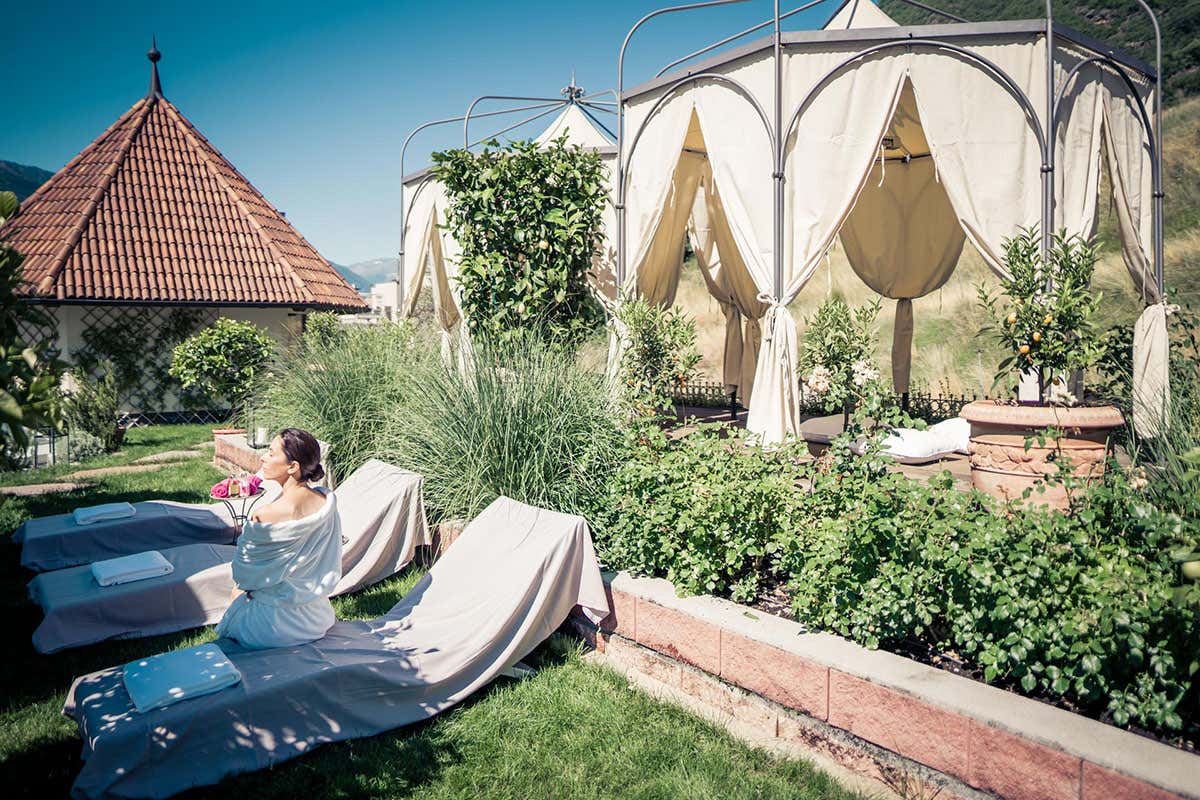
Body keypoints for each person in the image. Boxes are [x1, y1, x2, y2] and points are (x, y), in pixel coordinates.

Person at [216, 428, 341, 649]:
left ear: (292, 467)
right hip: (316, 617)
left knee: (237, 591)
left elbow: (244, 576)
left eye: (272, 453)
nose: (263, 457)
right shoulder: (326, 502)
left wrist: (242, 591)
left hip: (273, 628)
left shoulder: (265, 515)